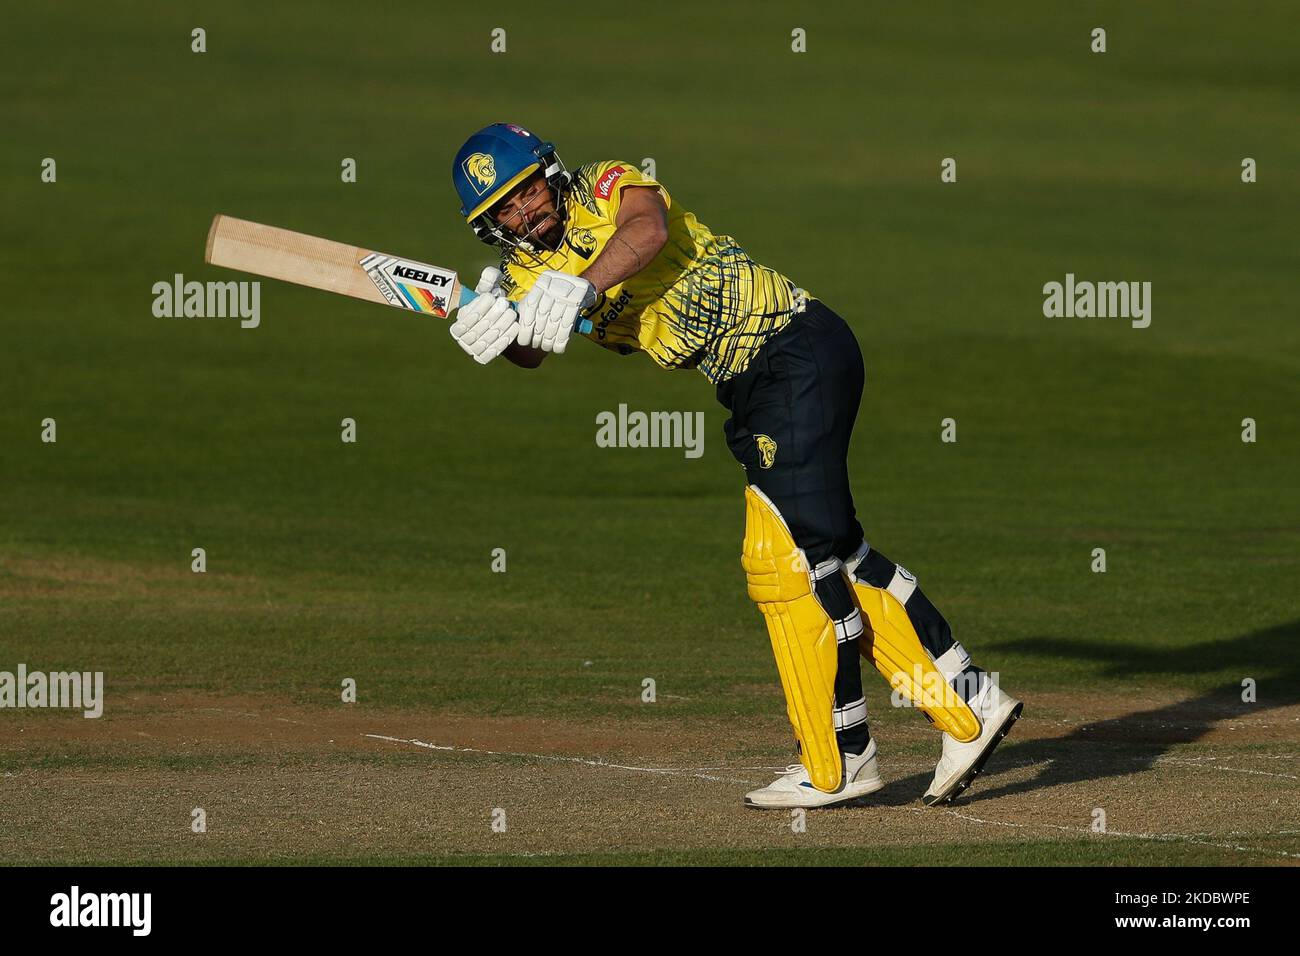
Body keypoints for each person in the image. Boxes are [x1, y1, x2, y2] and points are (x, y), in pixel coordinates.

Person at [449, 123, 1022, 809]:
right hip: (750, 387)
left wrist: (583, 286)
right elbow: (531, 348)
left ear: (551, 173)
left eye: (528, 191)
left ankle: (919, 724)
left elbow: (648, 230)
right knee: (817, 558)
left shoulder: (605, 186)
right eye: (504, 211)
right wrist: (483, 319)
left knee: (794, 563)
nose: (525, 212)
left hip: (792, 347)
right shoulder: (525, 274)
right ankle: (892, 732)